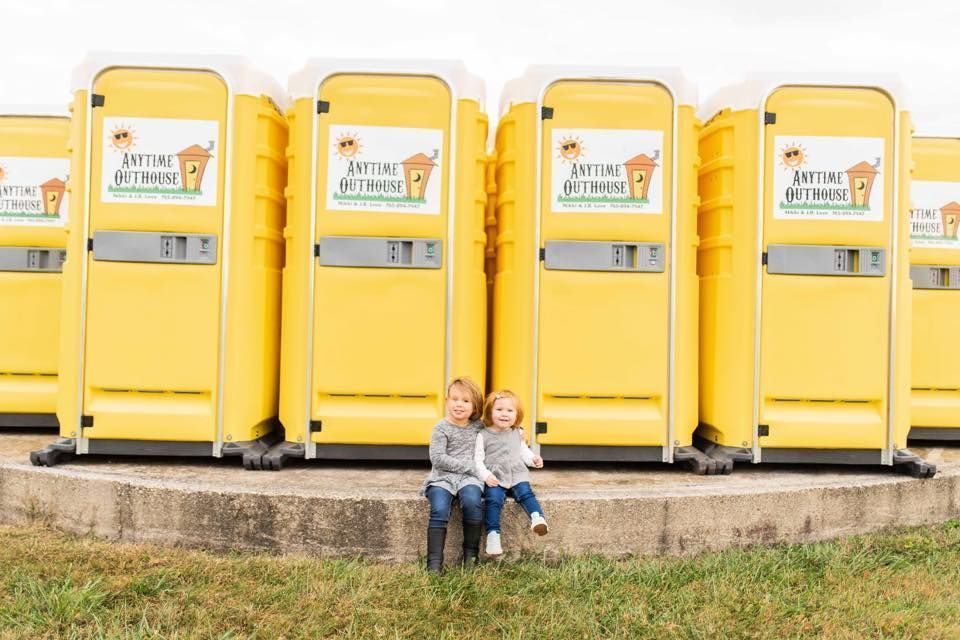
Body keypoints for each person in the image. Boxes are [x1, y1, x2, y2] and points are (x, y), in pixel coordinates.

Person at [422, 377, 485, 573]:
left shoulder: (479, 427)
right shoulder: (441, 428)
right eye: (455, 399)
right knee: (440, 509)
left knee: (473, 503)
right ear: (447, 401)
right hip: (442, 478)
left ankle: (470, 558)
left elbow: (500, 431)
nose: (459, 404)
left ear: (475, 407)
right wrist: (470, 466)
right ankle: (434, 565)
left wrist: (519, 434)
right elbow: (438, 458)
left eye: (466, 401)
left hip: (470, 479)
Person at [474, 389, 548, 556]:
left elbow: (523, 452)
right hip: (495, 476)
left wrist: (533, 459)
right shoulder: (483, 435)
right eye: (499, 410)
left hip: (516, 473)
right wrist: (486, 476)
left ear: (517, 414)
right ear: (490, 412)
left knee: (525, 493)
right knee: (493, 499)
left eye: (509, 410)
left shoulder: (517, 432)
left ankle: (537, 518)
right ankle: (493, 535)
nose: (504, 414)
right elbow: (477, 460)